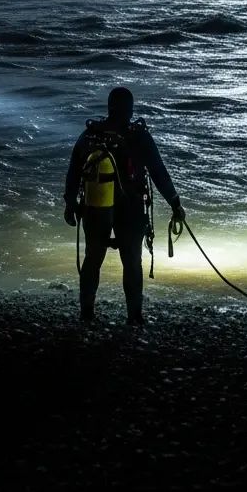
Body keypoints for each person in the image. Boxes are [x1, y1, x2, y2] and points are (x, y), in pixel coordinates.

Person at [63, 86, 185, 326]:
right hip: (130, 208)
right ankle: (134, 316)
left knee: (92, 259)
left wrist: (70, 204)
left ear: (108, 108)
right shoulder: (138, 136)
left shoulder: (90, 135)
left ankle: (86, 313)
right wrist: (175, 202)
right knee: (131, 261)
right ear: (130, 110)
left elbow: (73, 172)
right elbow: (159, 172)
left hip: (96, 206)